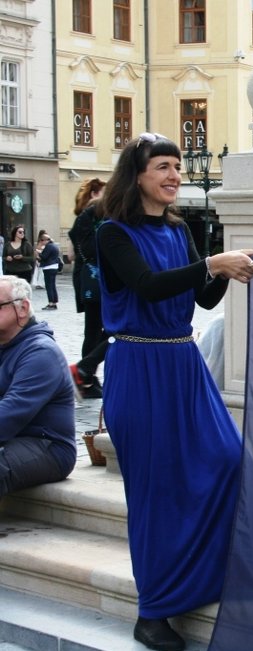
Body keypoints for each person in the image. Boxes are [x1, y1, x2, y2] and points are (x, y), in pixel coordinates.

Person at [94, 131, 253, 651]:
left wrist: (236, 269)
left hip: (183, 364)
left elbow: (203, 297)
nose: (173, 176)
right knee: (154, 492)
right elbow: (146, 285)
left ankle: (203, 576)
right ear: (138, 175)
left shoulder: (179, 229)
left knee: (227, 459)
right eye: (162, 167)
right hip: (138, 366)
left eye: (177, 166)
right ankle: (153, 612)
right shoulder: (112, 233)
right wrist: (212, 263)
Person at [0, 276, 76, 498]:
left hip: (47, 446)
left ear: (22, 308)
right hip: (12, 438)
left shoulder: (41, 352)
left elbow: (12, 412)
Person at [68, 177, 108, 399]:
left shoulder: (89, 217)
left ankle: (87, 375)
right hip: (96, 281)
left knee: (96, 331)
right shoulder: (92, 217)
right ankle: (85, 373)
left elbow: (74, 252)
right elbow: (83, 250)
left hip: (91, 281)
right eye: (103, 192)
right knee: (104, 330)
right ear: (94, 194)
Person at [34, 234, 61, 310]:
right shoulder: (54, 245)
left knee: (49, 286)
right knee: (52, 286)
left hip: (48, 267)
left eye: (42, 240)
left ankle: (51, 303)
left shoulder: (48, 246)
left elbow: (44, 257)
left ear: (45, 240)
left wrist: (38, 254)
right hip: (54, 267)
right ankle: (54, 302)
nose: (42, 242)